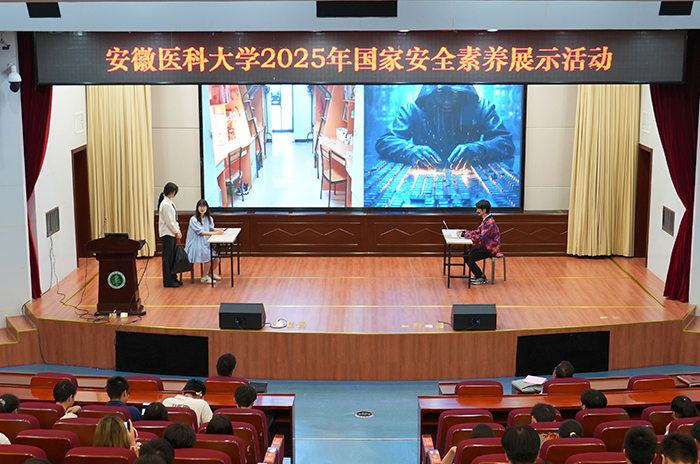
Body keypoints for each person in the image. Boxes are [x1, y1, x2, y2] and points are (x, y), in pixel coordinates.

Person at [375, 84, 514, 170]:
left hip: (469, 171)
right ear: (429, 91)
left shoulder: (482, 107)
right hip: (424, 172)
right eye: (440, 92)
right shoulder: (413, 109)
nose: (447, 100)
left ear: (464, 92)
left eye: (455, 93)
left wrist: (480, 149)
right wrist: (409, 151)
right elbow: (385, 141)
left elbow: (505, 141)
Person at [461, 199, 500, 285]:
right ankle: (479, 275)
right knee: (467, 254)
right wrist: (466, 233)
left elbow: (481, 237)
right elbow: (478, 232)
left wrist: (465, 235)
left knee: (468, 256)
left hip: (490, 249)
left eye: (478, 209)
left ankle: (481, 277)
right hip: (484, 248)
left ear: (484, 210)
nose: (477, 211)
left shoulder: (490, 223)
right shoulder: (486, 220)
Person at [185, 199, 224, 284]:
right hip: (195, 245)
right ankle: (204, 277)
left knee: (216, 259)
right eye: (200, 206)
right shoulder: (193, 219)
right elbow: (201, 232)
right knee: (208, 257)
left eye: (204, 206)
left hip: (205, 243)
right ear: (197, 208)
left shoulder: (208, 218)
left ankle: (210, 273)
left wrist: (219, 230)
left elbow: (211, 228)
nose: (202, 208)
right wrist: (216, 233)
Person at [158, 182, 182, 288]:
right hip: (168, 234)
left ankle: (173, 277)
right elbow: (169, 222)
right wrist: (176, 232)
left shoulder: (169, 203)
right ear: (172, 192)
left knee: (172, 257)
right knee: (168, 259)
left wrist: (178, 231)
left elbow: (174, 219)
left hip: (171, 233)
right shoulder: (165, 204)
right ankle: (168, 280)